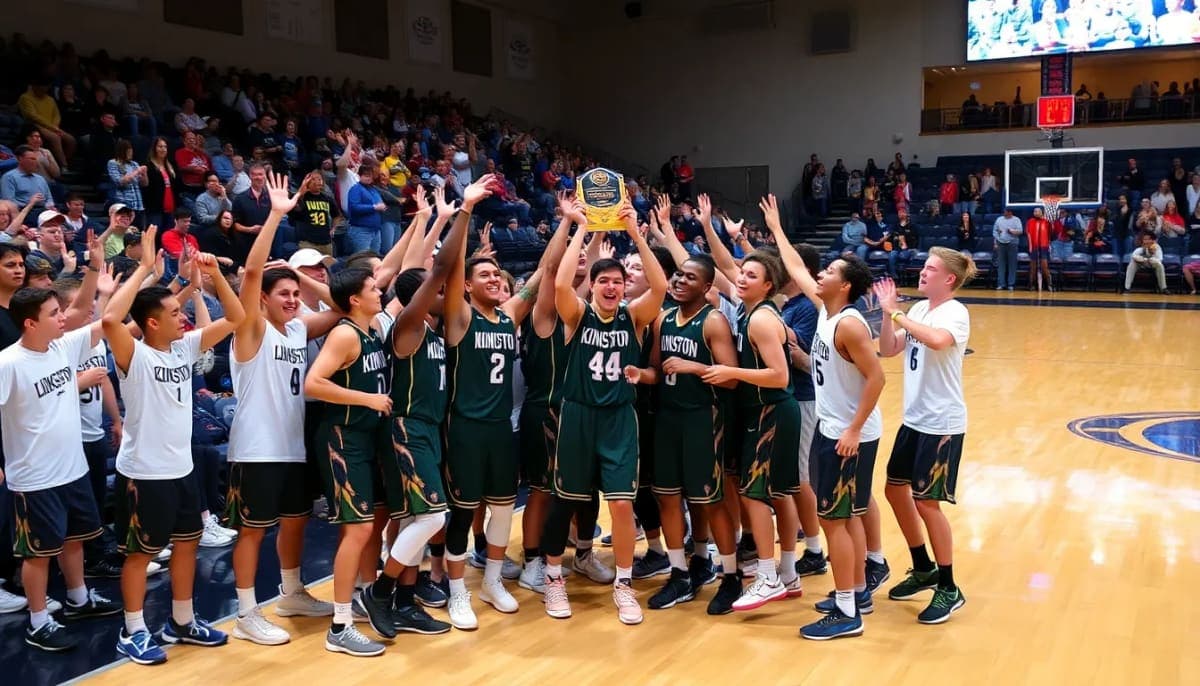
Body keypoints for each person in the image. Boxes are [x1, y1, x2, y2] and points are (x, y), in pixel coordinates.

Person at [102, 227, 245, 665]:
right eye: (172, 310)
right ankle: (134, 630)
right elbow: (109, 320)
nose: (181, 315)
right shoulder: (135, 354)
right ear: (150, 322)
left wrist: (211, 276)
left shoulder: (183, 347)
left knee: (188, 542)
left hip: (180, 468)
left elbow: (236, 318)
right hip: (144, 472)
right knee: (139, 554)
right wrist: (145, 268)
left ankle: (181, 621)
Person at [538, 200, 667, 625]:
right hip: (577, 415)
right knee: (565, 502)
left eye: (618, 281)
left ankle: (624, 585)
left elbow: (661, 287)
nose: (612, 287)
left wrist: (635, 234)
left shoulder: (633, 317)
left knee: (622, 506)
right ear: (592, 286)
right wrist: (578, 227)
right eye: (604, 281)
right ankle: (554, 577)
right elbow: (558, 285)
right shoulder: (575, 316)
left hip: (617, 419)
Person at [226, 174, 341, 645]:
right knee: (251, 532)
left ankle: (292, 591)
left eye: (296, 295)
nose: (293, 300)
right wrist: (275, 215)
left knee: (296, 519)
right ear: (264, 301)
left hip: (291, 445)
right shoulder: (251, 328)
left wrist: (309, 285)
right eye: (285, 295)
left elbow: (344, 310)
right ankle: (246, 611)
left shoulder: (297, 329)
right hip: (255, 447)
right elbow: (251, 277)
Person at [768, 193, 885, 640]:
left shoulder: (850, 324)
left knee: (835, 519)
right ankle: (852, 593)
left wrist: (853, 430)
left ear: (846, 286)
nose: (820, 274)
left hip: (845, 434)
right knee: (848, 517)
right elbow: (797, 269)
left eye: (830, 272)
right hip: (836, 428)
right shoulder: (826, 312)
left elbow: (877, 379)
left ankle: (846, 613)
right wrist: (778, 230)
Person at [0, 252, 122, 652]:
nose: (63, 318)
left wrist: (95, 273)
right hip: (34, 476)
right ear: (31, 323)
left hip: (71, 468)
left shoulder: (61, 347)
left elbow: (91, 312)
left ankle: (78, 598)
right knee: (37, 555)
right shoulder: (9, 363)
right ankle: (38, 621)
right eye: (54, 313)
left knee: (74, 540)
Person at [440, 174, 541, 629]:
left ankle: (493, 580)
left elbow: (539, 278)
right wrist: (466, 208)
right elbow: (453, 265)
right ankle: (456, 589)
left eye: (497, 275)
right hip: (465, 427)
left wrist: (571, 227)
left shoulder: (508, 316)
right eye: (484, 275)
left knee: (503, 506)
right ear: (467, 286)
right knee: (463, 510)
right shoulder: (460, 317)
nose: (494, 279)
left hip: (502, 427)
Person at [874, 247, 975, 625]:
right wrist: (889, 317)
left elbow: (937, 341)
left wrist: (895, 312)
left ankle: (949, 586)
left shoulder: (955, 311)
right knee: (893, 488)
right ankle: (923, 566)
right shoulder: (918, 310)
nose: (922, 272)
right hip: (914, 420)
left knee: (927, 503)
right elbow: (888, 349)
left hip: (942, 424)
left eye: (930, 269)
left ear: (948, 279)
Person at [642, 253, 743, 615]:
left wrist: (695, 367)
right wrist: (639, 375)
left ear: (706, 287)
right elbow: (656, 369)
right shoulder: (662, 319)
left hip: (703, 418)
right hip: (668, 418)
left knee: (709, 500)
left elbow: (731, 377)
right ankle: (680, 573)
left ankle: (731, 576)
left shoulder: (712, 322)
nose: (679, 281)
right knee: (667, 497)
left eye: (689, 277)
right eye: (678, 276)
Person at [303, 266, 393, 656]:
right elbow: (313, 383)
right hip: (341, 438)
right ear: (355, 299)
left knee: (364, 527)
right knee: (356, 530)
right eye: (374, 288)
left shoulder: (370, 330)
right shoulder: (343, 333)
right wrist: (368, 399)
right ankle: (339, 626)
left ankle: (358, 598)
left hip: (364, 438)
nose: (380, 291)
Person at [780, 243, 830, 581]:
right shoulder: (791, 304)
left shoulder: (811, 310)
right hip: (790, 398)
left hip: (805, 398)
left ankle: (814, 550)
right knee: (793, 478)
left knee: (800, 478)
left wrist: (776, 332)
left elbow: (808, 362)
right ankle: (805, 539)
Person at [992, 209, 1022, 290]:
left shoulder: (1016, 220)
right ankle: (1001, 284)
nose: (1004, 213)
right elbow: (994, 231)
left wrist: (1012, 231)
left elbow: (1020, 231)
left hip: (1012, 243)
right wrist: (996, 241)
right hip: (1001, 243)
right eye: (1004, 211)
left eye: (1005, 211)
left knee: (1012, 264)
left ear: (1010, 212)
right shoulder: (999, 219)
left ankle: (1011, 284)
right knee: (1001, 264)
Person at [1026, 207, 1053, 292]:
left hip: (1044, 246)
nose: (1036, 213)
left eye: (1038, 211)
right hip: (1034, 246)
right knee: (1033, 267)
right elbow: (1028, 234)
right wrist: (1030, 246)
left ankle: (1048, 284)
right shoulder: (1030, 221)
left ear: (1042, 213)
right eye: (1035, 211)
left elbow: (1051, 232)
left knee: (1044, 266)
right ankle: (1032, 284)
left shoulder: (1047, 222)